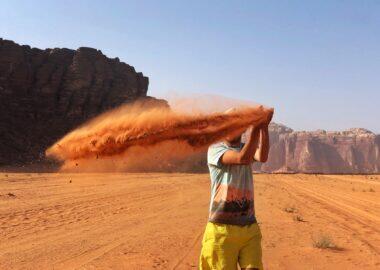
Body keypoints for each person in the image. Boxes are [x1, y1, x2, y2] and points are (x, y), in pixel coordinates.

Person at [199, 108, 273, 270]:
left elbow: (263, 156)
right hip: (221, 230)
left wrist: (264, 126)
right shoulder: (215, 149)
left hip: (249, 228)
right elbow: (243, 158)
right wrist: (256, 125)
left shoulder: (247, 147)